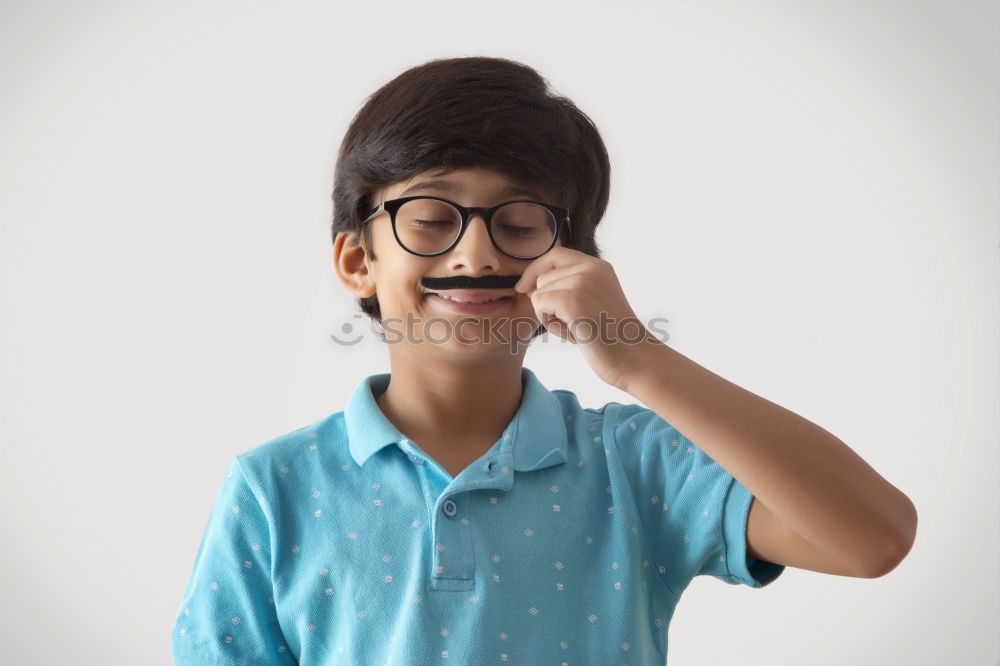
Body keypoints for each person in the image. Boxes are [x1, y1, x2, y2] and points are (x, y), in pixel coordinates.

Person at [170, 56, 917, 665]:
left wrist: (639, 361)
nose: (476, 252)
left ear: (575, 263)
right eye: (431, 218)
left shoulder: (635, 463)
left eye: (520, 222)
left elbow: (872, 538)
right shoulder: (274, 488)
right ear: (357, 258)